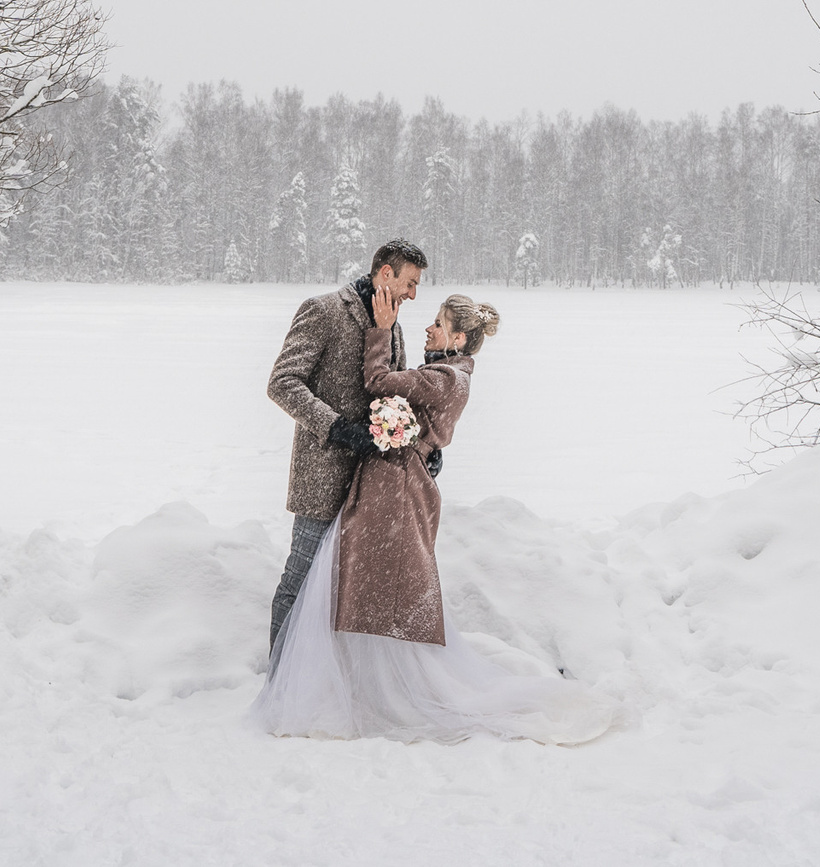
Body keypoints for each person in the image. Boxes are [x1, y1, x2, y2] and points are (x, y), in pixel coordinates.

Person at [252, 289, 614, 745]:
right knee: (360, 583)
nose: (428, 327)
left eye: (438, 324)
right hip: (390, 481)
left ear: (458, 339)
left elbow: (380, 382)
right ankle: (353, 678)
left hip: (396, 489)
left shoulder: (446, 377)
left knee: (370, 583)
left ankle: (368, 686)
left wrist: (381, 330)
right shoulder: (446, 371)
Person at [265, 238, 428, 657]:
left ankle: (325, 670)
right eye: (410, 283)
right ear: (386, 273)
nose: (413, 294)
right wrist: (338, 428)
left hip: (369, 482)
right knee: (300, 579)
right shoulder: (323, 311)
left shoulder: (393, 325)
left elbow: (394, 393)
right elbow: (282, 383)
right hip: (321, 476)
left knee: (342, 587)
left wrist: (419, 443)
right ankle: (279, 675)